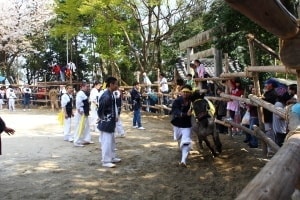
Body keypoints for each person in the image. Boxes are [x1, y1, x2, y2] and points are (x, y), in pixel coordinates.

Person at [97, 77, 121, 168]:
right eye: (116, 84)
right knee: (106, 141)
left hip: (111, 121)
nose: (117, 86)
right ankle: (106, 160)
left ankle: (112, 157)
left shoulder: (111, 94)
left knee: (111, 141)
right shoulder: (105, 96)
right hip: (106, 122)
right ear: (111, 84)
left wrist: (115, 116)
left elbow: (113, 107)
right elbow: (100, 109)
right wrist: (101, 117)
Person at [170, 85, 193, 167]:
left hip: (187, 125)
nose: (185, 94)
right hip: (177, 124)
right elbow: (175, 111)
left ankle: (183, 161)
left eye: (187, 92)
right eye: (184, 92)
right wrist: (185, 114)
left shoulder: (192, 102)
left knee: (186, 142)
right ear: (181, 92)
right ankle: (183, 148)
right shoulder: (177, 101)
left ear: (190, 93)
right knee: (178, 139)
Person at [73, 82, 94, 147]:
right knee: (80, 126)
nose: (88, 88)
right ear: (82, 87)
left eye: (88, 86)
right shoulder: (80, 93)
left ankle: (87, 139)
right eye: (86, 86)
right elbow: (78, 102)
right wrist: (79, 110)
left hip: (85, 112)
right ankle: (76, 141)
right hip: (81, 112)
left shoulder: (84, 93)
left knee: (86, 126)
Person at [262, 79, 278, 155]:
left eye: (267, 84)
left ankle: (271, 148)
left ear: (270, 85)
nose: (266, 85)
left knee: (270, 133)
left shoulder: (273, 94)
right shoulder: (268, 93)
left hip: (270, 117)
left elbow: (266, 101)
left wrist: (261, 99)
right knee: (269, 132)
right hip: (267, 116)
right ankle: (270, 148)